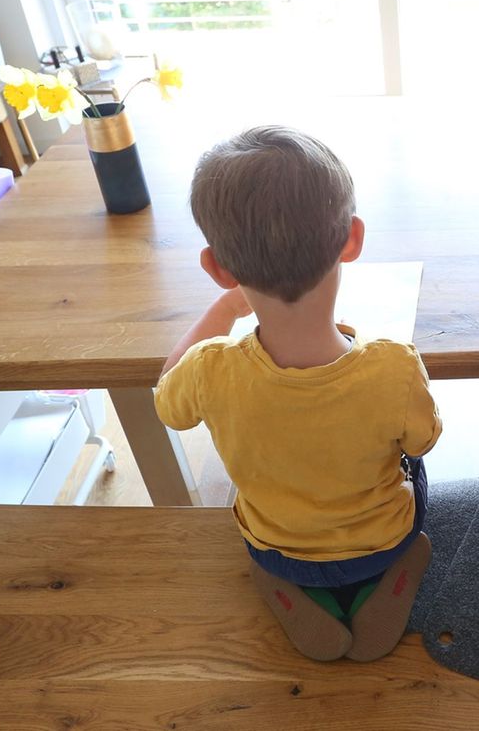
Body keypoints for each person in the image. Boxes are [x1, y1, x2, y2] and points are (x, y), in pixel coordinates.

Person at [156, 126, 441, 661]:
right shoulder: (392, 366)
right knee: (415, 466)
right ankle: (395, 573)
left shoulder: (209, 369)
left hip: (280, 549)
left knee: (266, 524)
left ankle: (282, 585)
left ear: (218, 268)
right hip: (382, 542)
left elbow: (166, 396)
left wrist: (224, 312)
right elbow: (423, 444)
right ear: (352, 239)